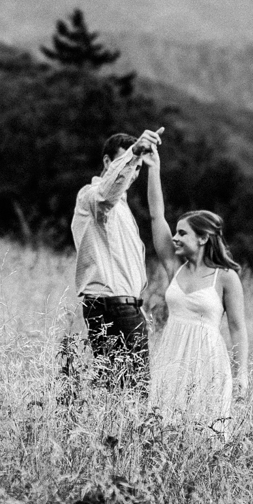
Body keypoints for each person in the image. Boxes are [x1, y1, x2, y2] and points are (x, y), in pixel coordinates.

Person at [144, 156, 250, 439]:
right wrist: (154, 167)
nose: (175, 238)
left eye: (182, 233)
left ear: (202, 238)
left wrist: (242, 374)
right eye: (175, 232)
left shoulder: (226, 277)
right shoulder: (174, 267)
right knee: (165, 425)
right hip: (172, 352)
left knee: (204, 428)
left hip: (208, 358)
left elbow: (238, 328)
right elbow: (156, 214)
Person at [67, 127, 164, 388]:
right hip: (112, 305)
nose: (132, 172)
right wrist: (134, 154)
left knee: (119, 392)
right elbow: (108, 191)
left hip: (125, 307)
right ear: (108, 162)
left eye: (136, 167)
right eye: (127, 163)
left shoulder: (121, 207)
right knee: (133, 392)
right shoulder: (92, 196)